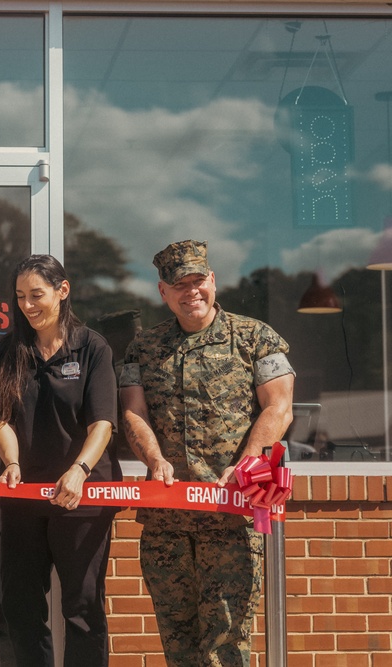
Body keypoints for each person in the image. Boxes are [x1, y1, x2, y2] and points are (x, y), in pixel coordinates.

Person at [119, 240, 295, 667]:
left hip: (230, 516)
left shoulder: (254, 337)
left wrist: (249, 459)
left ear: (213, 281)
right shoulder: (143, 348)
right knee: (177, 644)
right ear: (163, 292)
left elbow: (279, 406)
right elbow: (132, 412)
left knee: (225, 644)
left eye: (198, 280)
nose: (190, 291)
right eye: (179, 284)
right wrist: (154, 459)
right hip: (167, 524)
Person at [0, 254, 120, 667]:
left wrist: (78, 471)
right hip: (23, 497)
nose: (27, 305)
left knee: (81, 609)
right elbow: (0, 419)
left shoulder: (92, 346)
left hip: (82, 497)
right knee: (20, 606)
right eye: (20, 296)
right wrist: (11, 463)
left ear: (63, 291)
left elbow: (103, 423)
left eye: (36, 295)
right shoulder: (8, 349)